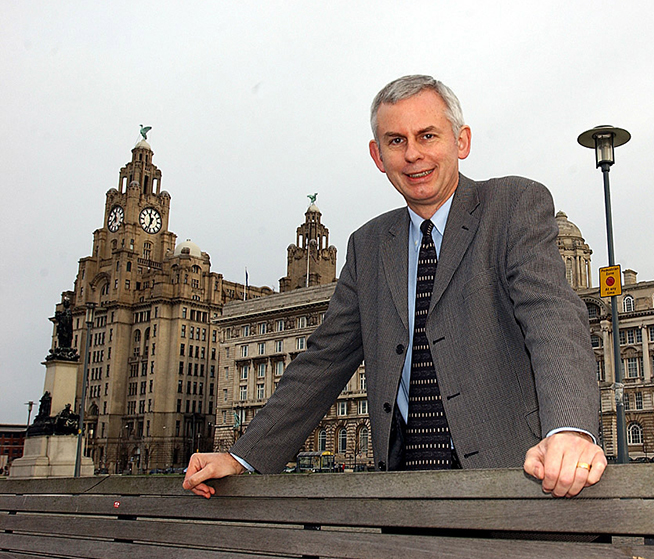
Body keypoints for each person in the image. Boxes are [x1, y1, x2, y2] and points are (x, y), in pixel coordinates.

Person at [184, 75, 606, 499]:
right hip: (402, 488)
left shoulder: (513, 205)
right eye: (396, 141)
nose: (413, 155)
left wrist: (569, 429)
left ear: (461, 142)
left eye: (427, 135)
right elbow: (324, 360)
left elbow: (551, 315)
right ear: (378, 155)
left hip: (516, 478)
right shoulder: (367, 245)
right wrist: (243, 456)